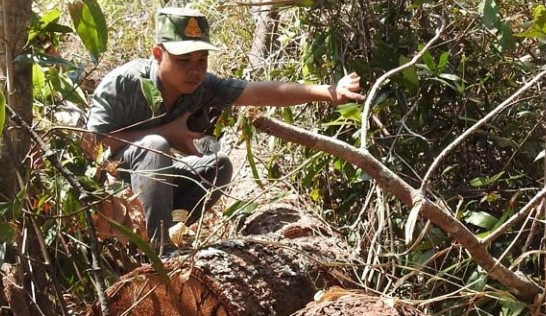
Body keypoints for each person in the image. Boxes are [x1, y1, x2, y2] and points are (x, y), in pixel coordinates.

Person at [86, 6, 364, 249]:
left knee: (217, 166)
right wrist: (166, 134)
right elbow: (91, 143)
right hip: (109, 191)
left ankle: (168, 234)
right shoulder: (125, 83)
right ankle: (160, 251)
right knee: (155, 146)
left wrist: (329, 92)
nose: (194, 70)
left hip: (152, 186)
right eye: (184, 61)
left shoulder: (202, 86)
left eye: (201, 60)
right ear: (158, 54)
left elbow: (259, 93)